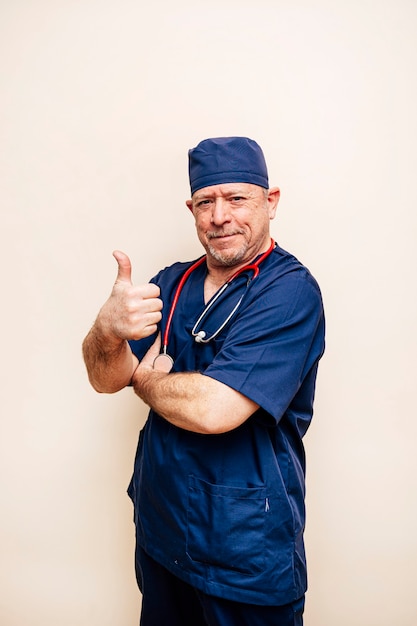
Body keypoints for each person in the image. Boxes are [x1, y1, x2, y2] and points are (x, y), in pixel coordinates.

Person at [82, 136, 325, 626]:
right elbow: (105, 378)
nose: (220, 216)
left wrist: (146, 382)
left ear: (270, 202)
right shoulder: (170, 283)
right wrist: (106, 331)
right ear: (192, 208)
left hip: (244, 548)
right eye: (207, 202)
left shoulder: (289, 292)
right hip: (162, 531)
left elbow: (215, 410)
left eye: (237, 199)